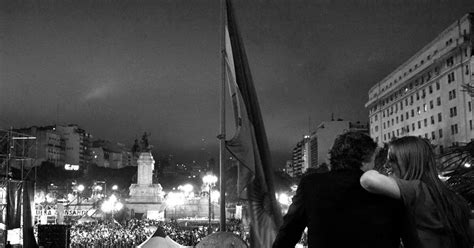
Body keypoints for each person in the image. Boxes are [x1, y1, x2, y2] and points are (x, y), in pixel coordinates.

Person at [273, 131, 418, 248]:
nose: (375, 164)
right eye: (374, 158)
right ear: (364, 159)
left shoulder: (311, 185)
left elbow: (288, 234)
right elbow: (411, 239)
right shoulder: (388, 189)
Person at [360, 136, 472, 248]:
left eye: (392, 160)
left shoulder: (416, 189)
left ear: (409, 162)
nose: (386, 165)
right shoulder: (451, 196)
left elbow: (368, 180)